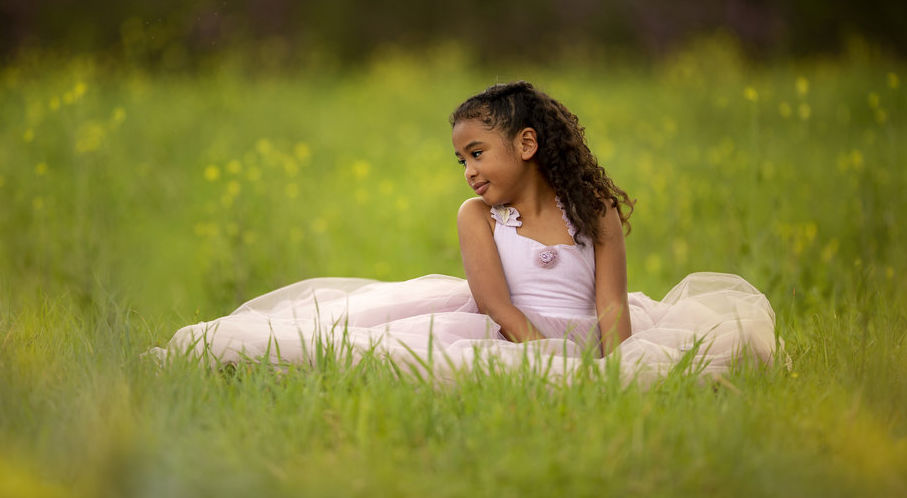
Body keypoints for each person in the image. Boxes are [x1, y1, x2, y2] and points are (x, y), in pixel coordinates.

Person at [150, 82, 782, 384]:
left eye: (478, 153)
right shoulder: (477, 216)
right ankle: (229, 363)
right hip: (507, 331)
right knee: (370, 351)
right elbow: (494, 302)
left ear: (527, 143)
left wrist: (619, 365)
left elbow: (611, 302)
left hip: (589, 333)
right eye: (463, 161)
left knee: (708, 363)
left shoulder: (595, 212)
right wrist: (543, 353)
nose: (470, 171)